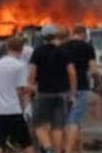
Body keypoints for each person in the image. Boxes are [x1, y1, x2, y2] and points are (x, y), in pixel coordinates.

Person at [28, 25, 76, 153]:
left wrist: (31, 87)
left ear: (42, 37)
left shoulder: (38, 52)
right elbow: (72, 72)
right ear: (56, 36)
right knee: (58, 126)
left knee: (37, 123)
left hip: (43, 93)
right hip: (61, 94)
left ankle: (48, 148)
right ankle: (56, 150)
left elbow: (32, 73)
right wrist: (72, 93)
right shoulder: (64, 51)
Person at [0, 36, 34, 153]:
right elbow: (20, 89)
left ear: (7, 48)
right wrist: (32, 89)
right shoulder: (19, 66)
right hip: (13, 109)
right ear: (21, 49)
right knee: (27, 143)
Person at [61, 25, 100, 153]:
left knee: (68, 120)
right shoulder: (87, 47)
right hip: (81, 87)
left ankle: (77, 149)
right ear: (83, 34)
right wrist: (98, 85)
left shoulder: (63, 47)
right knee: (74, 119)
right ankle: (67, 149)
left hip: (64, 88)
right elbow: (93, 69)